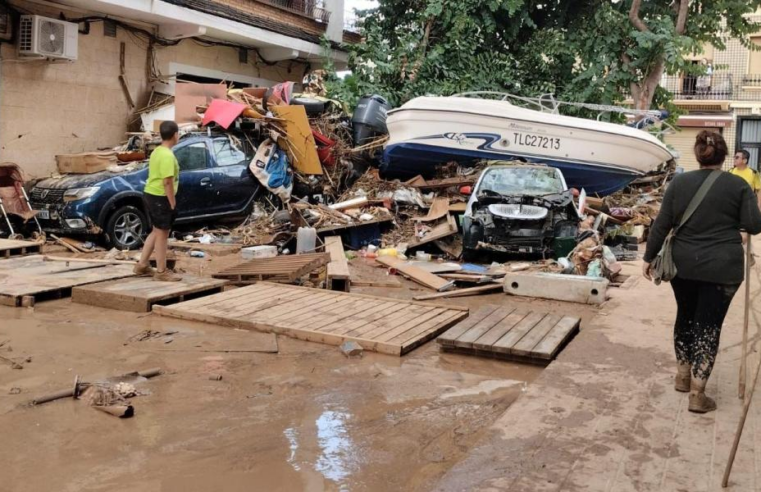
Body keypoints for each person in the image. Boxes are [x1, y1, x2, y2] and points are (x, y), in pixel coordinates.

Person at [643, 131, 761, 413]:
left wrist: (648, 258)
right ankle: (698, 394)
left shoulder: (679, 182)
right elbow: (754, 225)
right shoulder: (738, 186)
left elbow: (661, 224)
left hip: (682, 264)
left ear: (697, 155)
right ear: (724, 157)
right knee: (708, 325)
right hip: (722, 268)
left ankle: (683, 377)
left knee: (685, 316)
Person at [134, 121, 182, 282]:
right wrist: (172, 202)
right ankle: (161, 271)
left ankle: (142, 265)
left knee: (156, 231)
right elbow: (167, 181)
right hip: (161, 197)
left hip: (150, 194)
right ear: (175, 135)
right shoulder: (168, 155)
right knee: (162, 234)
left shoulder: (157, 151)